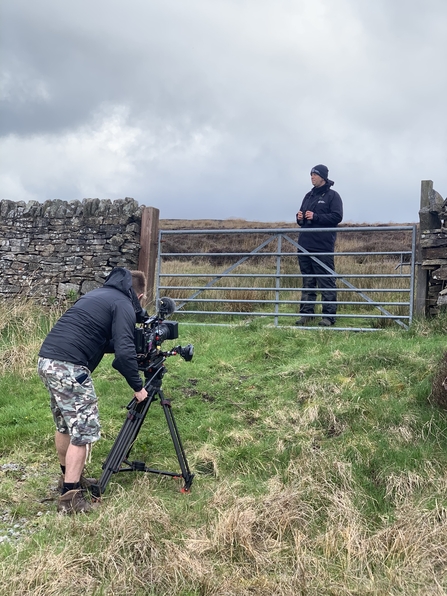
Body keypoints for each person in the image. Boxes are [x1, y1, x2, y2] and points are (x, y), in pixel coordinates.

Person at [37, 267, 148, 514]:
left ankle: (68, 482)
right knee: (84, 431)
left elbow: (96, 336)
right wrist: (138, 387)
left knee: (65, 425)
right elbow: (123, 353)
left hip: (47, 360)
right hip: (69, 366)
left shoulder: (97, 295)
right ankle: (70, 500)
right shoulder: (123, 304)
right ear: (139, 296)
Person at [295, 164, 343, 327]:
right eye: (311, 175)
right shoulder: (308, 196)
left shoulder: (333, 196)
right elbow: (301, 220)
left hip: (322, 246)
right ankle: (306, 314)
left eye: (315, 175)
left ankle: (328, 316)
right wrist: (300, 217)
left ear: (323, 177)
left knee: (326, 281)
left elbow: (337, 217)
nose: (312, 177)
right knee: (308, 281)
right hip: (304, 245)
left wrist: (316, 216)